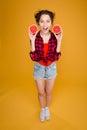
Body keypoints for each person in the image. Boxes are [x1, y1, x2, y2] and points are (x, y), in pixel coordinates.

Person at [28, 10, 63, 122]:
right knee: (41, 92)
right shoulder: (35, 37)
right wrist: (32, 41)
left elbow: (56, 58)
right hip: (39, 67)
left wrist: (59, 41)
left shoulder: (54, 37)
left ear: (51, 23)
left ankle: (47, 108)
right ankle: (42, 109)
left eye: (48, 21)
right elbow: (34, 58)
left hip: (51, 67)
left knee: (49, 92)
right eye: (42, 21)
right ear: (38, 23)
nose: (45, 24)